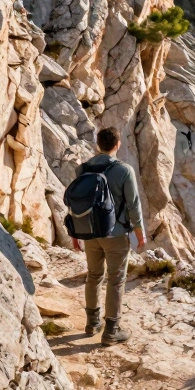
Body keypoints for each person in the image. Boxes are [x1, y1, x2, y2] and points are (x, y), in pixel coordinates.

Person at [71, 127, 145, 345]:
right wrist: (140, 235)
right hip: (116, 234)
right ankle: (112, 330)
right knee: (115, 280)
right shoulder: (124, 170)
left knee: (93, 276)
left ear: (98, 145)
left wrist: (75, 234)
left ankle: (92, 323)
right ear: (118, 144)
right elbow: (134, 205)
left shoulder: (82, 169)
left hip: (89, 233)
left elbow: (75, 204)